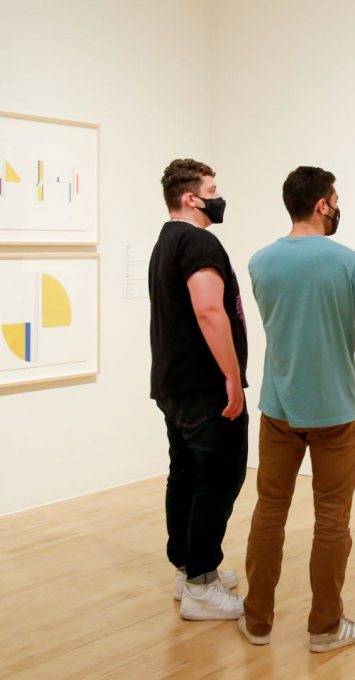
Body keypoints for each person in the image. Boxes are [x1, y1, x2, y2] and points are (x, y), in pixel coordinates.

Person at [239, 166, 355, 653]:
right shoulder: (348, 261)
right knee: (331, 519)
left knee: (269, 513)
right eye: (336, 199)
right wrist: (333, 337)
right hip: (336, 412)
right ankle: (324, 628)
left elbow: (280, 326)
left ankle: (257, 621)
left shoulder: (260, 262)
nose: (338, 207)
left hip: (279, 408)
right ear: (322, 204)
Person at [148, 158, 249, 621]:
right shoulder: (198, 240)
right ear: (191, 198)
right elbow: (210, 311)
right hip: (205, 385)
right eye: (212, 187)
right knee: (219, 477)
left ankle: (187, 566)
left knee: (185, 475)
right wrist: (232, 376)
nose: (217, 195)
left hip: (173, 383)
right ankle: (201, 584)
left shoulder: (166, 241)